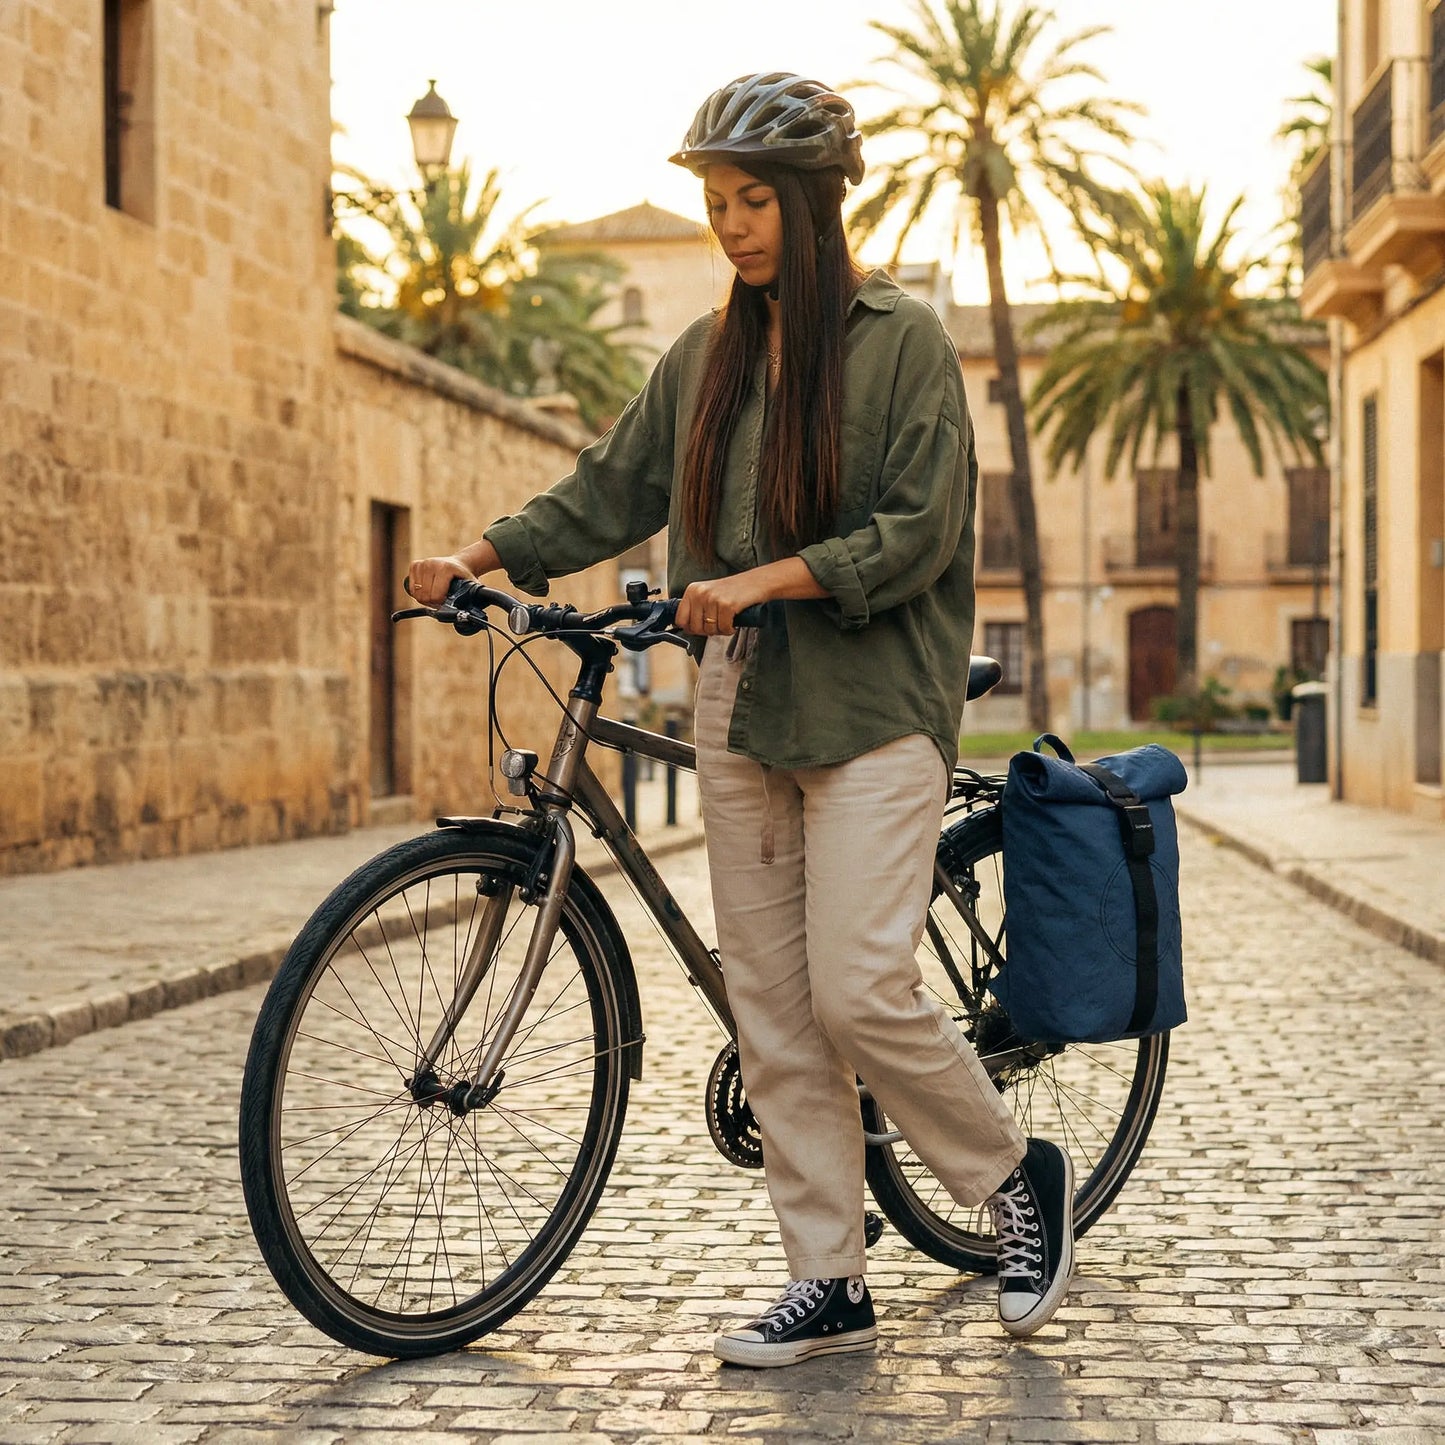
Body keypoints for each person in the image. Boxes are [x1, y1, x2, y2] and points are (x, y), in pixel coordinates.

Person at [407, 71, 1074, 1369]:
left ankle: (1011, 1179)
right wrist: (474, 556)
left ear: (817, 205)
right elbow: (610, 487)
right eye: (715, 201)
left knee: (860, 986)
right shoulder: (704, 359)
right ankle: (828, 1275)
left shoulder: (901, 342)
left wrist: (762, 578)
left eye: (753, 198)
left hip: (876, 705)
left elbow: (917, 531)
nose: (731, 224)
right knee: (770, 1006)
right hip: (742, 709)